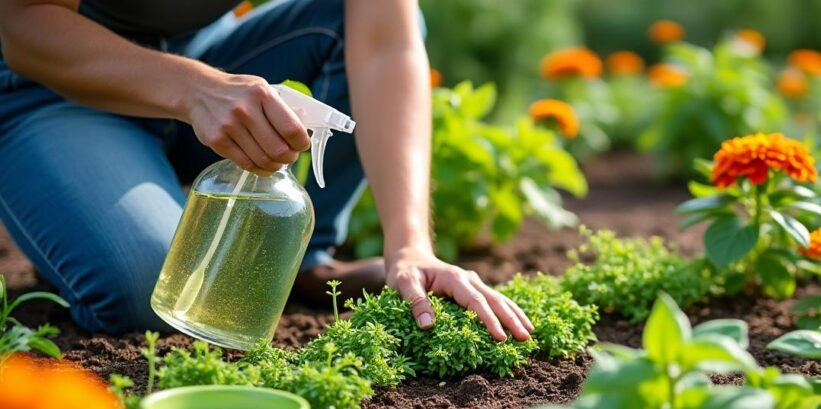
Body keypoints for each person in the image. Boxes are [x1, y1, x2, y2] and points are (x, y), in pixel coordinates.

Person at [0, 0, 533, 342]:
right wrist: (192, 89)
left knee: (341, 26)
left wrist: (411, 243)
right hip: (48, 90)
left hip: (211, 57)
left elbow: (385, 43)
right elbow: (26, 27)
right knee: (158, 290)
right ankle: (77, 206)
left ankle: (300, 258)